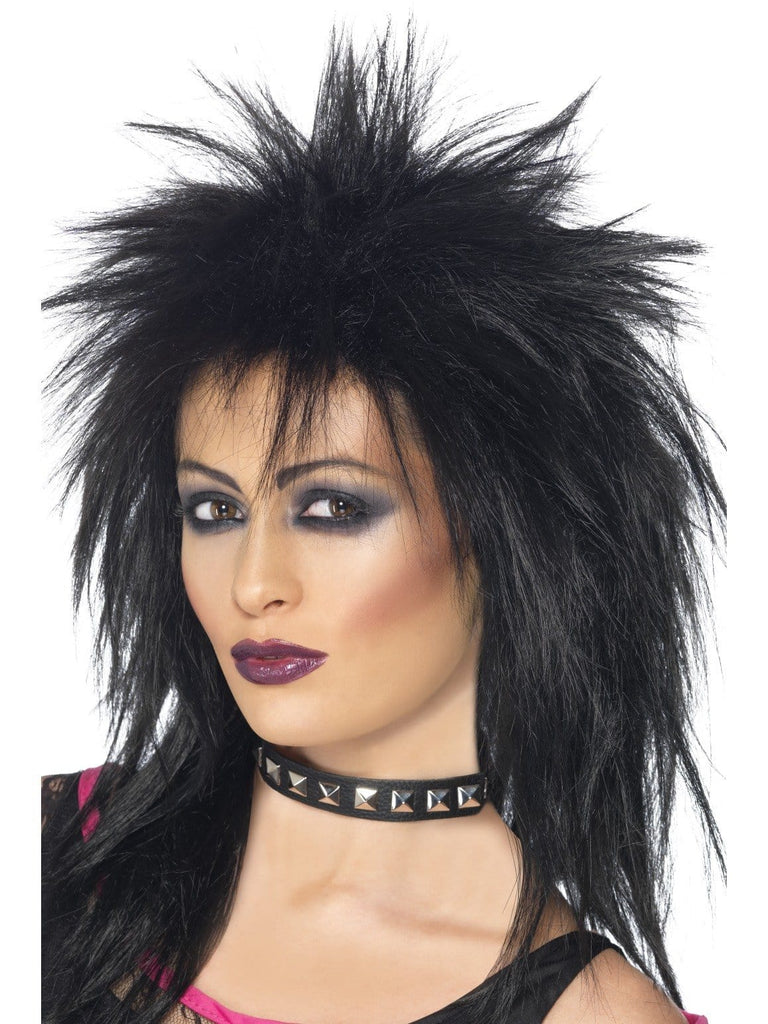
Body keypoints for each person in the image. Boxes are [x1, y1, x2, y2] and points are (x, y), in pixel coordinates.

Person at [40, 23, 722, 1024]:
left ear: (508, 534)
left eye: (332, 507)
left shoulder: (594, 1015)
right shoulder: (53, 851)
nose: (253, 582)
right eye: (214, 508)